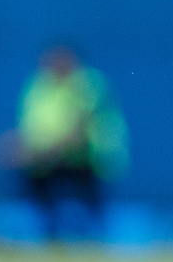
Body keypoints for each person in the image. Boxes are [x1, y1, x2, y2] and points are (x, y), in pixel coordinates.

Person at [15, 45, 129, 242]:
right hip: (49, 159)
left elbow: (80, 130)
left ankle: (99, 240)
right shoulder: (37, 87)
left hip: (88, 157)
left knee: (91, 202)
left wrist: (47, 152)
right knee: (33, 182)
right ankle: (47, 236)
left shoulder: (88, 83)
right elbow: (31, 129)